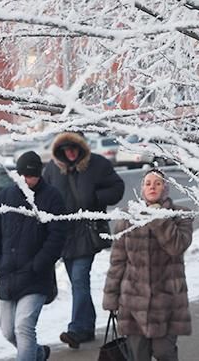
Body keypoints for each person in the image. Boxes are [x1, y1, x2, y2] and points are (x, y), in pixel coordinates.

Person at [42, 131, 125, 348]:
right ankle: (87, 327)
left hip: (87, 233)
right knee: (78, 283)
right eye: (66, 148)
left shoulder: (97, 164)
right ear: (60, 150)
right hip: (64, 235)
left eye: (74, 147)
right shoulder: (52, 169)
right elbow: (42, 195)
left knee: (79, 280)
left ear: (81, 147)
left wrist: (97, 198)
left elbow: (117, 188)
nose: (70, 152)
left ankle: (77, 329)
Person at [103, 168, 193, 361]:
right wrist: (111, 297)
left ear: (165, 188)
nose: (152, 187)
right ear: (142, 189)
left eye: (158, 183)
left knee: (164, 353)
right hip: (133, 302)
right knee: (138, 356)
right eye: (148, 183)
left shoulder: (180, 215)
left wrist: (158, 217)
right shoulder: (129, 218)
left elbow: (177, 247)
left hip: (167, 301)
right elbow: (118, 261)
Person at [0, 151, 67, 361]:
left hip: (36, 277)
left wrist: (39, 264)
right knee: (7, 330)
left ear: (39, 174)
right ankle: (38, 353)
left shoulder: (52, 197)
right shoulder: (6, 196)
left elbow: (57, 236)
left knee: (23, 326)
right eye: (22, 175)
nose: (26, 180)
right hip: (8, 274)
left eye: (30, 175)